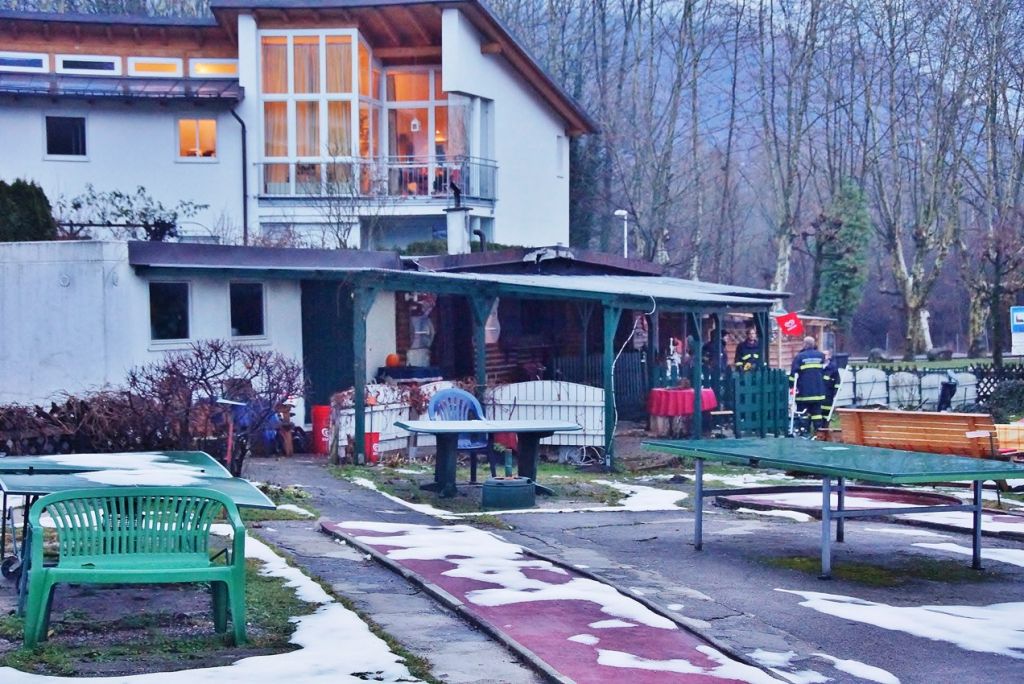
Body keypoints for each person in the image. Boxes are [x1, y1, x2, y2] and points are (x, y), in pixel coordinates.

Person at [790, 336, 828, 433]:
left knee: (803, 413)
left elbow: (793, 374)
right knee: (817, 413)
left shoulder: (800, 357)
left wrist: (791, 386)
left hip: (804, 392)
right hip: (818, 392)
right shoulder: (821, 356)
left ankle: (805, 431)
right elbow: (825, 371)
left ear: (805, 344)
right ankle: (818, 431)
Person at [820, 350, 842, 421]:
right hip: (819, 393)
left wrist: (835, 392)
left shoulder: (833, 367)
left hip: (829, 394)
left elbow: (837, 381)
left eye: (825, 355)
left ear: (829, 356)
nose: (823, 356)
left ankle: (826, 424)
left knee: (827, 413)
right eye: (822, 355)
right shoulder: (818, 366)